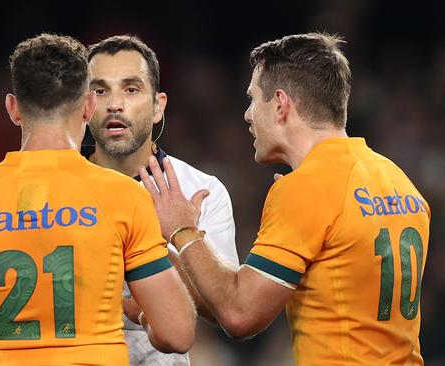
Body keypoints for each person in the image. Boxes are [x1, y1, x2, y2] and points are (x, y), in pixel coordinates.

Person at [139, 32, 430, 365]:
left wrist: (181, 229)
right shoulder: (400, 182)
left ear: (280, 104)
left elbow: (240, 314)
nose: (248, 115)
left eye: (252, 99)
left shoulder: (307, 188)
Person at [0, 33, 196, 366]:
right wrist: (143, 318)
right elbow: (177, 332)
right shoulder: (124, 196)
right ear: (88, 107)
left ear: (13, 109)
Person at [84, 35, 239, 366]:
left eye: (131, 89)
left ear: (158, 106)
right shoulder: (57, 187)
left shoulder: (202, 189)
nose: (114, 103)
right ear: (84, 107)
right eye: (100, 90)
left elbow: (223, 311)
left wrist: (176, 235)